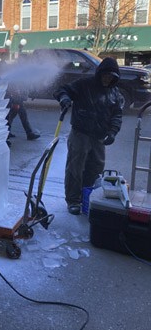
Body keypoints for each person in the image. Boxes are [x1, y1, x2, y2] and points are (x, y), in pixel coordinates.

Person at [53, 57, 123, 215]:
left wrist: (112, 132)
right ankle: (73, 200)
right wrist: (64, 98)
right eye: (105, 75)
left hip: (99, 136)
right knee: (75, 168)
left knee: (96, 168)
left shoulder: (114, 93)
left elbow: (117, 115)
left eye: (111, 77)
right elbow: (61, 89)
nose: (107, 79)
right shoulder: (84, 85)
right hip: (80, 133)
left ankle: (86, 196)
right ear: (99, 74)